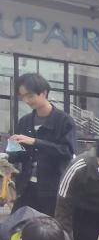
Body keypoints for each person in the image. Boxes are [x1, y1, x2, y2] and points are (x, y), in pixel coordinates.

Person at [0, 73, 75, 216]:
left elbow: (67, 152)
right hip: (26, 187)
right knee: (17, 223)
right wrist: (8, 154)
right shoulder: (25, 121)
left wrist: (35, 142)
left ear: (44, 93)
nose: (26, 100)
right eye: (22, 96)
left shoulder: (64, 121)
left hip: (52, 189)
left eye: (30, 96)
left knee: (49, 226)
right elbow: (21, 155)